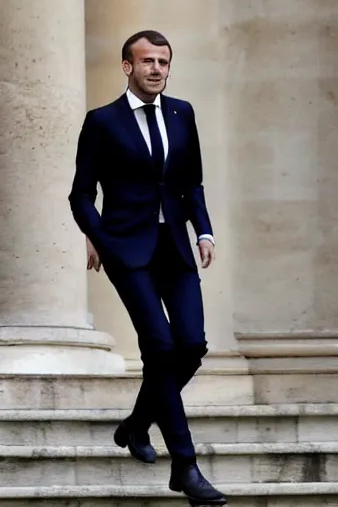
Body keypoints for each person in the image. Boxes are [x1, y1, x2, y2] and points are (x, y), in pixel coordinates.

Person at [69, 30, 226, 506]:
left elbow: (191, 181)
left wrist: (203, 230)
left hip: (174, 246)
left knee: (192, 345)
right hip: (127, 249)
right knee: (158, 346)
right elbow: (81, 194)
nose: (156, 68)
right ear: (127, 67)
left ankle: (137, 423)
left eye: (163, 61)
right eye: (147, 61)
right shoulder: (102, 122)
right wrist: (101, 240)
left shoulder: (182, 113)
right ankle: (186, 465)